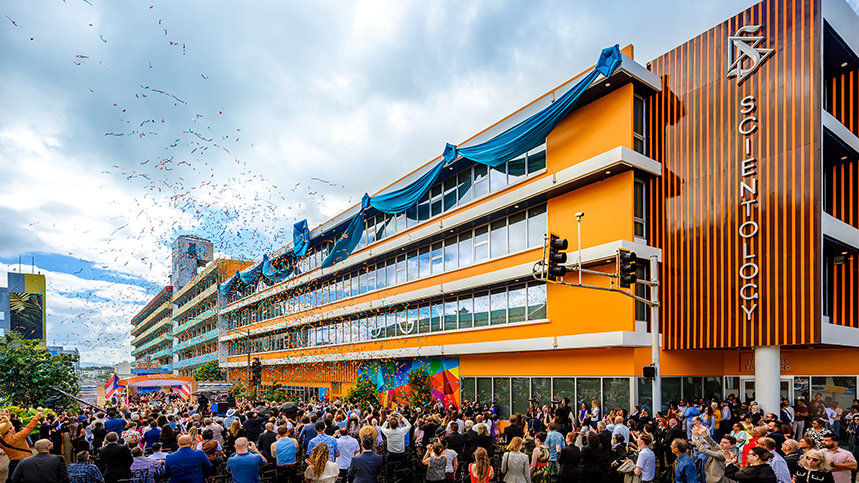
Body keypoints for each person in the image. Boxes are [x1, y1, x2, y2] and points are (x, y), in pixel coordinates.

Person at [0, 407, 41, 480]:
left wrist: (5, 416)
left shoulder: (1, 440)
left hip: (13, 463)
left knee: (11, 479)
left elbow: (3, 427)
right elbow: (30, 426)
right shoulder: (18, 437)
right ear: (9, 430)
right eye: (12, 427)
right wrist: (39, 413)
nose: (14, 428)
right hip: (26, 461)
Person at [379, 412, 409, 480]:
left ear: (389, 425)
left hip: (391, 454)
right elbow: (409, 425)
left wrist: (387, 419)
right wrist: (402, 418)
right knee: (401, 468)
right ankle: (401, 477)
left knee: (389, 468)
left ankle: (389, 478)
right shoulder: (401, 431)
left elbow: (382, 428)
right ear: (398, 424)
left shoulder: (388, 432)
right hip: (401, 453)